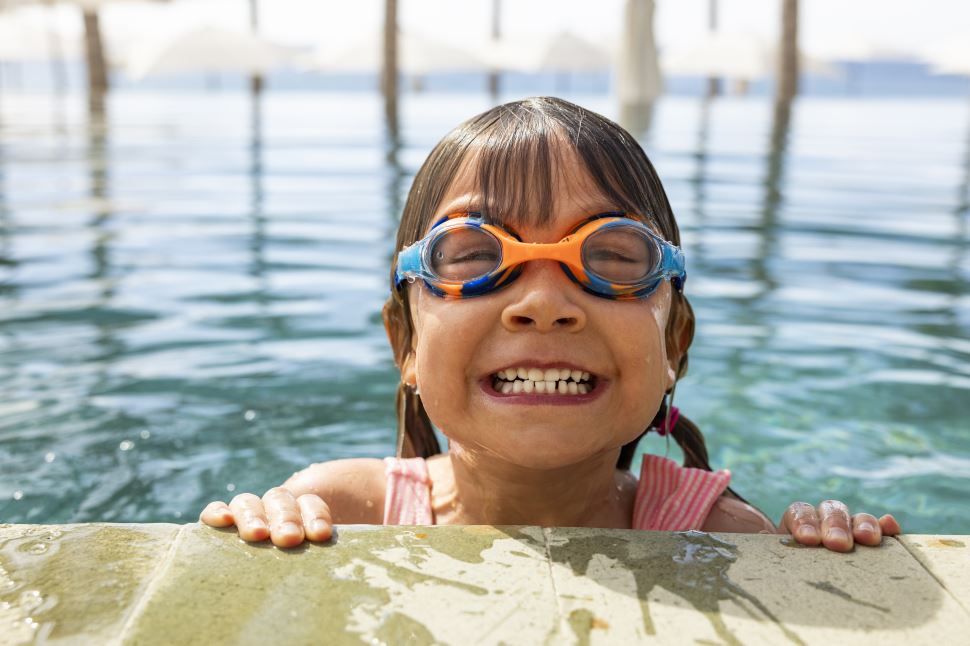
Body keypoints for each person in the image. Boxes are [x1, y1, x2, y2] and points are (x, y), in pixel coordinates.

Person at [201, 97, 900, 551]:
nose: (542, 301)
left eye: (611, 257)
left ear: (674, 345)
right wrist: (267, 520)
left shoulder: (713, 535)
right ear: (405, 344)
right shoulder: (343, 510)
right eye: (473, 255)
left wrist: (818, 545)